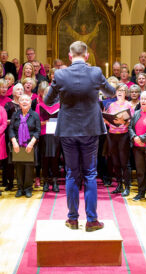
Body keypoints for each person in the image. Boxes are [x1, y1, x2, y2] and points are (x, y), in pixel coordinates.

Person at [44, 40, 115, 232]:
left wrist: (63, 94)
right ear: (86, 55)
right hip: (91, 129)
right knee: (90, 173)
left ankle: (72, 219)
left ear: (69, 56)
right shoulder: (95, 72)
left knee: (71, 173)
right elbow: (111, 92)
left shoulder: (60, 74)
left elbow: (47, 100)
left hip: (67, 129)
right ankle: (92, 220)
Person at [8, 94, 40, 198]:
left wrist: (31, 143)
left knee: (28, 168)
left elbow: (37, 131)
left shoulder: (35, 115)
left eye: (27, 100)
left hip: (30, 144)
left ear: (30, 103)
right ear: (19, 103)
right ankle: (20, 188)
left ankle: (28, 189)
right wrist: (14, 142)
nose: (25, 102)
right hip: (17, 144)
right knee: (18, 166)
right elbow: (11, 129)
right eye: (22, 100)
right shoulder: (15, 115)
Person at [105, 83, 133, 196]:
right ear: (115, 92)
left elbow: (131, 120)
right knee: (115, 162)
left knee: (124, 162)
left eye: (122, 90)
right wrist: (107, 120)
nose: (120, 92)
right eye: (118, 90)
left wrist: (123, 122)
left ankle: (127, 186)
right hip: (112, 134)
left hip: (123, 135)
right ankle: (119, 185)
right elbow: (107, 118)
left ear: (125, 93)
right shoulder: (111, 105)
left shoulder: (128, 105)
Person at [36, 84, 61, 193]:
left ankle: (55, 181)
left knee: (55, 158)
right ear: (43, 94)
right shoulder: (39, 106)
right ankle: (46, 181)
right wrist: (45, 122)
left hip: (55, 135)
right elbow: (36, 122)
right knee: (45, 158)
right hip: (44, 134)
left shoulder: (59, 106)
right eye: (46, 93)